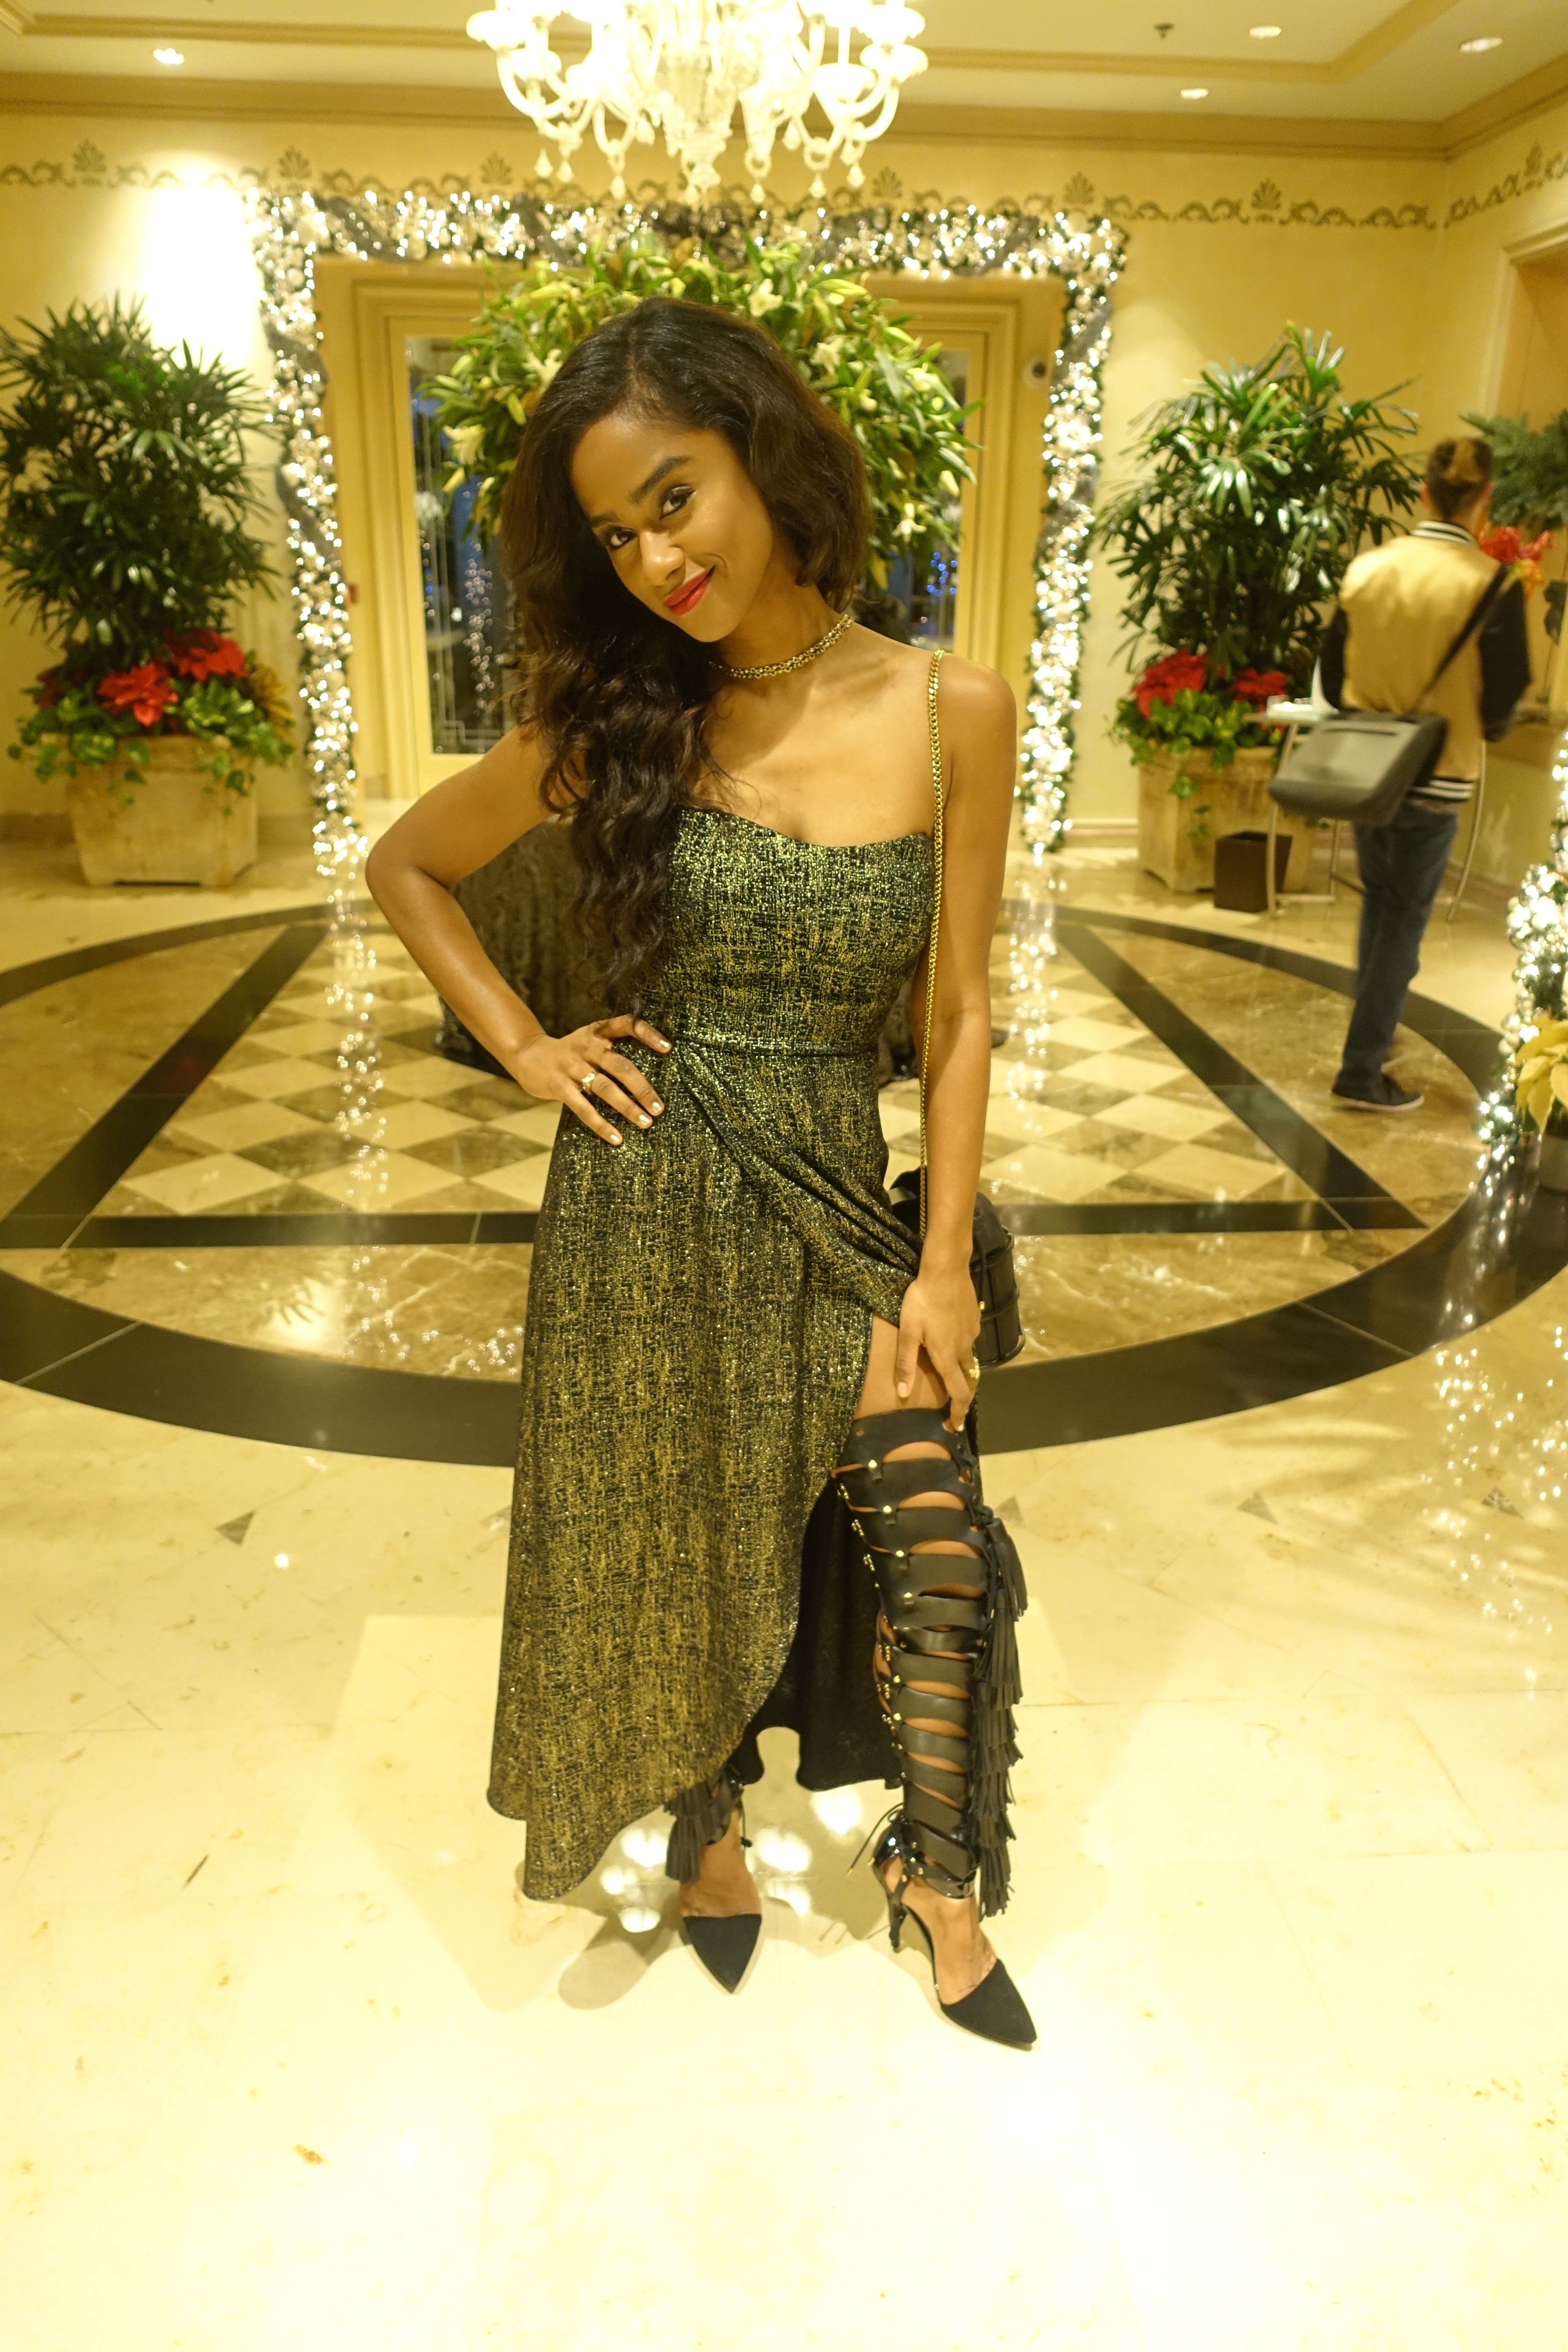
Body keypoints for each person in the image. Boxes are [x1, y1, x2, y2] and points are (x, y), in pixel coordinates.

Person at [366, 298, 1034, 2049]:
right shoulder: (623, 720)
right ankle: (707, 1830)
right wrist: (531, 1046)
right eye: (616, 534)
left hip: (829, 1184)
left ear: (762, 452)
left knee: (935, 1545)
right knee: (672, 1534)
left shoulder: (953, 710)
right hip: (646, 1197)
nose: (657, 559)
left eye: (674, 497)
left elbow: (957, 1013)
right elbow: (407, 867)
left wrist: (941, 1267)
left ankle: (938, 1875)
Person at [1319, 434, 1531, 1112]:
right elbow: (1506, 691)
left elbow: (1331, 672)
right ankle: (1361, 1069)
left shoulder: (1368, 570)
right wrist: (1480, 724)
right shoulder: (1492, 584)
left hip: (1367, 768)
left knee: (1378, 904)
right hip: (1438, 773)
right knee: (1403, 920)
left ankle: (1372, 1038)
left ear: (1424, 493)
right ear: (1485, 498)